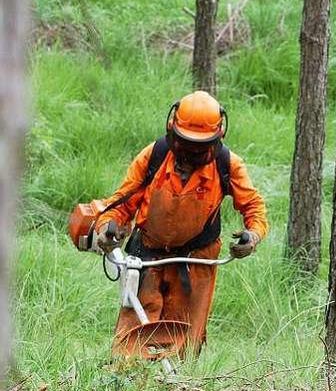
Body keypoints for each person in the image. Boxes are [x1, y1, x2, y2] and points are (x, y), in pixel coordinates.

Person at [93, 90, 268, 357]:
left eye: (200, 147)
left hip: (196, 260)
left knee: (184, 339)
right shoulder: (155, 155)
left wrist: (252, 237)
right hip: (147, 255)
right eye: (185, 143)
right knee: (132, 337)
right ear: (172, 130)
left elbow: (254, 206)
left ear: (218, 137)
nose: (191, 152)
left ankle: (180, 382)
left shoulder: (226, 164)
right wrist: (107, 227)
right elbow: (122, 203)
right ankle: (126, 379)